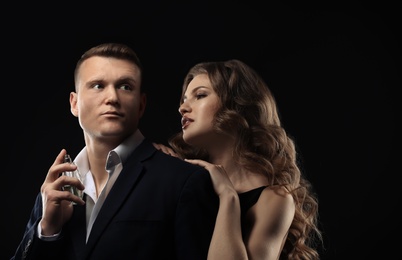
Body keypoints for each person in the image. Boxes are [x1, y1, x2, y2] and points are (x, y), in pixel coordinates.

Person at [10, 43, 219, 260]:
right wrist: (47, 231)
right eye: (98, 86)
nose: (112, 97)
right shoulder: (55, 188)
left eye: (125, 86)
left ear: (141, 105)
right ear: (74, 104)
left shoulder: (182, 180)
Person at [154, 59, 323, 259]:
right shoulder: (179, 175)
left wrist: (228, 197)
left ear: (236, 104)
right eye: (183, 99)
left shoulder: (274, 200)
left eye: (200, 95)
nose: (182, 108)